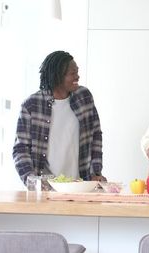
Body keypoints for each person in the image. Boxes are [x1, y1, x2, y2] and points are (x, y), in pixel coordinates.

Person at [13, 50, 105, 184]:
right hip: (46, 187)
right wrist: (31, 181)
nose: (77, 77)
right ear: (57, 76)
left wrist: (95, 172)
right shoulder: (31, 105)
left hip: (80, 185)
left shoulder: (84, 97)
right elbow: (20, 148)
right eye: (72, 73)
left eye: (77, 72)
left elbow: (96, 135)